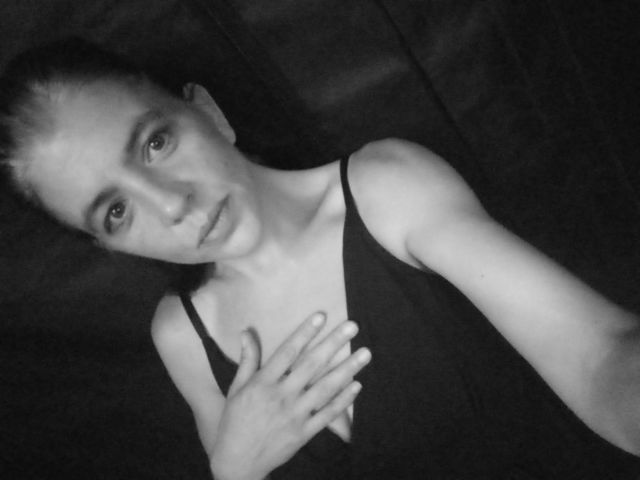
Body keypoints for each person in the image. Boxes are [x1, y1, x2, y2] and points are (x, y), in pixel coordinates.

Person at [1, 38, 639, 479]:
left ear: (208, 113)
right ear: (108, 245)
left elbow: (599, 358)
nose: (171, 205)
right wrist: (233, 469)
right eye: (116, 211)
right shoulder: (181, 335)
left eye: (155, 143)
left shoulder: (387, 188)